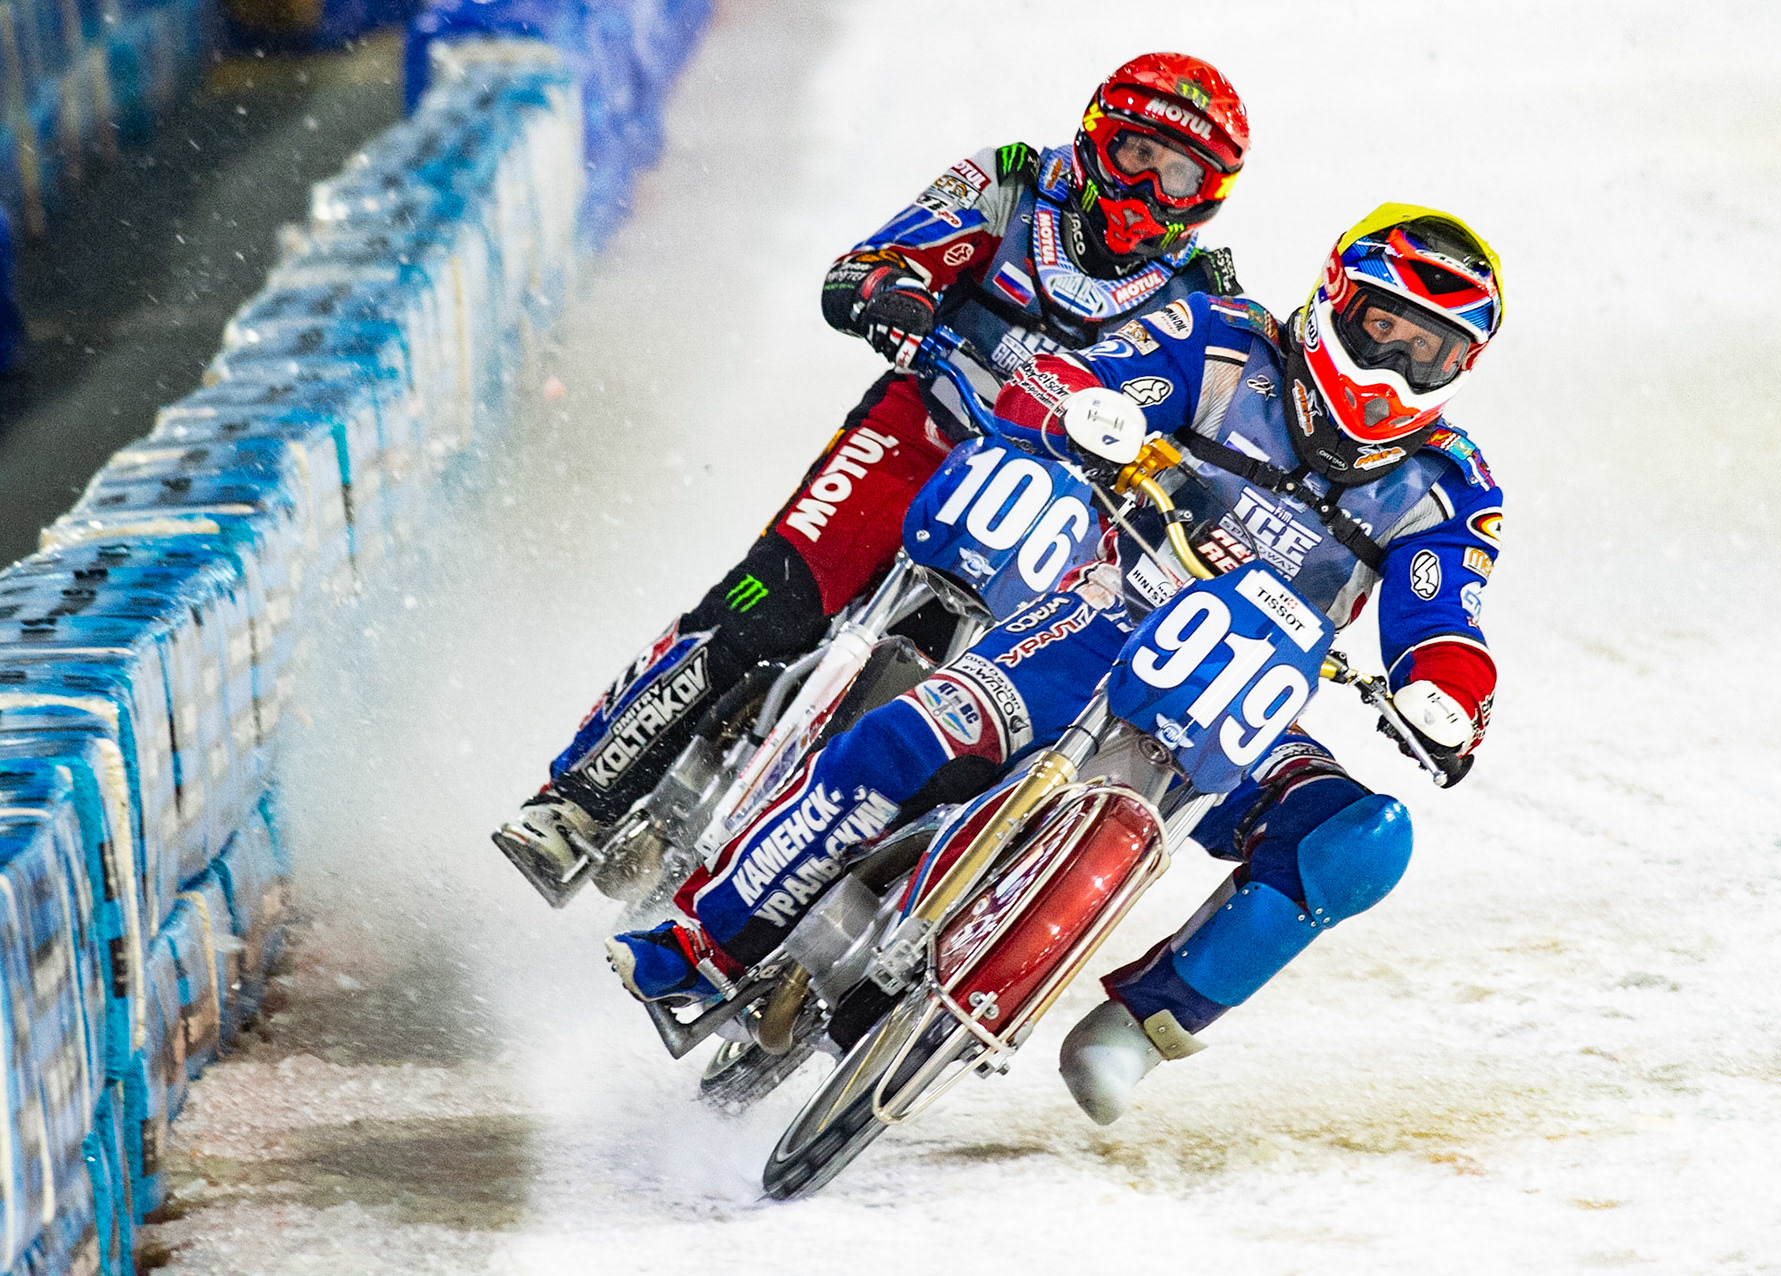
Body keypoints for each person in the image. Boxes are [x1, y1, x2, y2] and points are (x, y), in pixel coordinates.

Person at [609, 204, 1508, 1125]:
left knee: (1360, 840)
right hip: (1099, 622)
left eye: (1429, 353)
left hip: (1242, 711)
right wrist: (1083, 410)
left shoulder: (1452, 485)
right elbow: (1068, 376)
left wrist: (1449, 694)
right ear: (1334, 302)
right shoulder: (1223, 342)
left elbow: (1444, 617)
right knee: (906, 739)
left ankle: (1140, 1028)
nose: (1394, 368)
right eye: (1384, 328)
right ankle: (701, 943)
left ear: (1461, 369)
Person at [494, 54, 1253, 882]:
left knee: (972, 723)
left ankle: (821, 899)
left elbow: (1217, 449)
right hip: (918, 433)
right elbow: (868, 265)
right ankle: (576, 800)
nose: (1148, 189)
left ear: (1207, 196)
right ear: (1097, 139)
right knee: (769, 603)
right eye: (1138, 155)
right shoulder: (1009, 182)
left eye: (1179, 175)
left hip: (1049, 506)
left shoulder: (1208, 301)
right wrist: (893, 295)